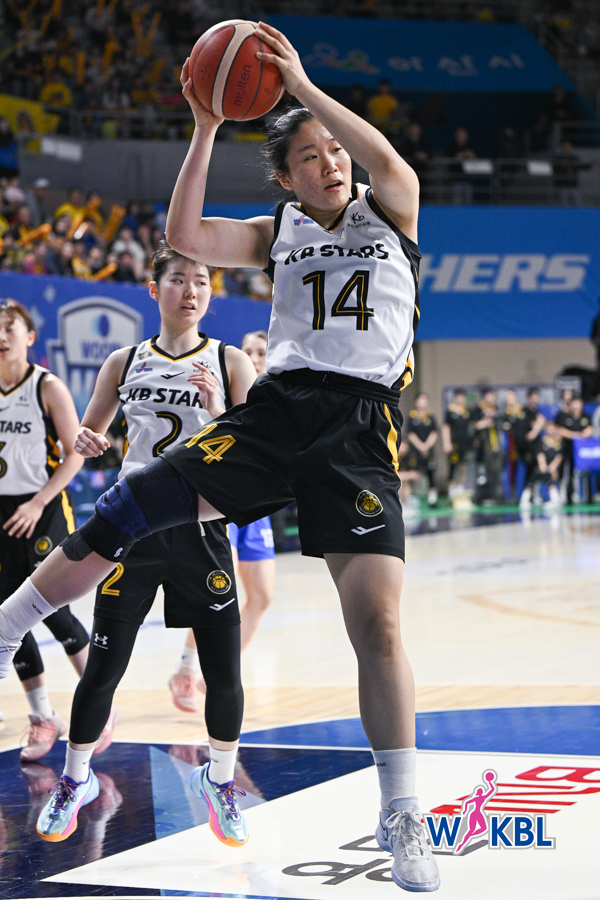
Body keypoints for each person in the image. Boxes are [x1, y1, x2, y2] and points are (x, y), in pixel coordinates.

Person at [0, 22, 439, 893]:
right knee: (125, 511)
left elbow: (388, 158)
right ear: (285, 178)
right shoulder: (280, 231)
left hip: (358, 430)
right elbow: (186, 233)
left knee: (379, 626)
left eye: (333, 151)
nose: (330, 163)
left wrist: (301, 88)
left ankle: (401, 810)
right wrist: (205, 126)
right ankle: (11, 623)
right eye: (309, 157)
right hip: (276, 412)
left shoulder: (392, 207)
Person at [35, 242, 256, 844]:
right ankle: (76, 779)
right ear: (155, 290)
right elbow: (90, 432)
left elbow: (252, 454)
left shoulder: (232, 362)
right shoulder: (124, 361)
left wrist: (219, 411)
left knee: (223, 671)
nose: (191, 291)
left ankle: (220, 780)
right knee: (104, 667)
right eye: (178, 279)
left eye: (202, 281)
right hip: (132, 528)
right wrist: (87, 441)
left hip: (201, 528)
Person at [0, 300, 91, 761]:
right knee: (6, 615)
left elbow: (76, 452)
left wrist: (38, 501)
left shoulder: (46, 386)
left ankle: (100, 702)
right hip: (3, 510)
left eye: (9, 327)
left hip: (45, 505)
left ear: (29, 336)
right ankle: (43, 717)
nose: (1, 336)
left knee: (51, 609)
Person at [169, 330, 276, 712]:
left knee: (262, 596)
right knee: (218, 590)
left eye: (260, 351)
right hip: (219, 499)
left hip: (257, 502)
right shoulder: (220, 388)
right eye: (247, 350)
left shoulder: (278, 395)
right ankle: (188, 669)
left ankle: (215, 668)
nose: (253, 357)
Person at [554, 394, 592, 503]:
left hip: (582, 452)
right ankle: (565, 496)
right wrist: (576, 435)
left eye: (578, 403)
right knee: (565, 472)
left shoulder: (585, 416)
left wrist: (577, 435)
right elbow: (561, 430)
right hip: (566, 449)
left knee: (582, 473)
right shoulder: (564, 416)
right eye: (573, 403)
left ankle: (584, 496)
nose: (575, 406)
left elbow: (589, 431)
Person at [404, 392, 439, 507]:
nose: (422, 402)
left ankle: (432, 499)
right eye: (420, 399)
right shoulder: (411, 417)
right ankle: (410, 499)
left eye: (425, 399)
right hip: (415, 452)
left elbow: (434, 433)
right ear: (416, 401)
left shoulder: (431, 417)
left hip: (428, 452)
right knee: (412, 473)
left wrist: (426, 446)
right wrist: (420, 446)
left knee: (431, 474)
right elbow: (410, 433)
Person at [519, 420, 563, 509]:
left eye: (552, 428)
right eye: (548, 428)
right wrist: (543, 466)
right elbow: (540, 456)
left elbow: (559, 457)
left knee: (549, 476)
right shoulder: (542, 442)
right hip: (542, 467)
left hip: (554, 468)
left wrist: (553, 467)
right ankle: (524, 499)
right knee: (534, 476)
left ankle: (555, 500)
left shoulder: (559, 442)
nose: (550, 430)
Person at [442, 388, 472, 499]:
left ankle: (460, 486)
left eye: (462, 396)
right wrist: (447, 442)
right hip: (453, 443)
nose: (460, 399)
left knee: (463, 465)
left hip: (465, 443)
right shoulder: (450, 411)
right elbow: (445, 427)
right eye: (458, 396)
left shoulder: (467, 411)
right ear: (455, 398)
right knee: (453, 466)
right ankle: (451, 487)